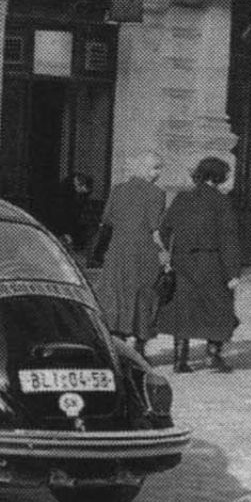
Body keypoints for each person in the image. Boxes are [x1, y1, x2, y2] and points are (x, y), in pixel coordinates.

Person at [155, 156, 240, 373]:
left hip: (182, 261)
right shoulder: (221, 202)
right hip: (211, 261)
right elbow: (228, 238)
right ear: (218, 176)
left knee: (183, 307)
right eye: (227, 175)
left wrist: (173, 252)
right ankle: (213, 355)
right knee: (219, 306)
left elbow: (165, 229)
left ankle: (179, 360)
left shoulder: (182, 198)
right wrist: (232, 272)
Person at [91, 150, 168, 359]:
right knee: (143, 295)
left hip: (117, 250)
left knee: (116, 293)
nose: (159, 172)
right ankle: (141, 345)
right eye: (156, 167)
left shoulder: (117, 190)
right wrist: (165, 253)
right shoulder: (156, 194)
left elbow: (108, 218)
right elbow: (156, 228)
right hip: (143, 251)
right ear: (144, 169)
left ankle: (118, 343)